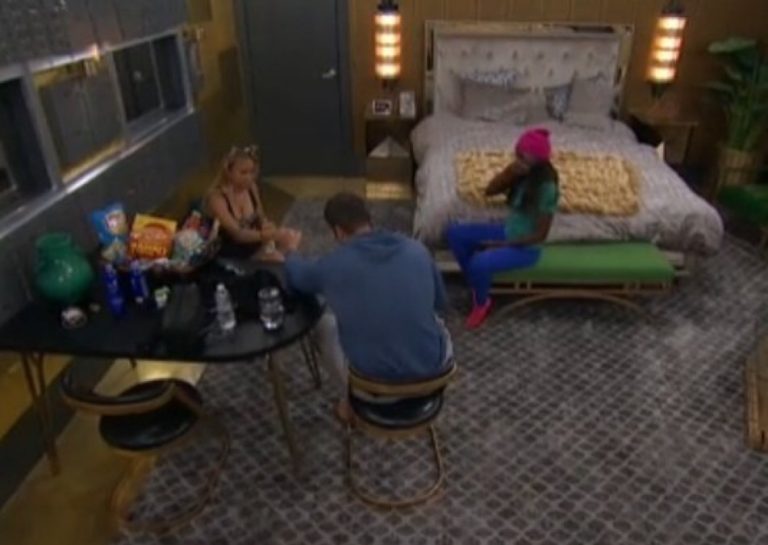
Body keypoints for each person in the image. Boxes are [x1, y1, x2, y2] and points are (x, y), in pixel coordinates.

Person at [283, 192, 453, 422]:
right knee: (432, 321)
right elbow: (440, 304)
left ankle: (350, 401)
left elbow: (298, 278)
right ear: (369, 221)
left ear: (338, 231)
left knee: (321, 325)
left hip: (374, 392)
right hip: (432, 380)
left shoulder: (334, 265)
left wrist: (290, 251)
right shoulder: (417, 250)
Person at [446, 128, 560, 329]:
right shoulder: (521, 171)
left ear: (538, 160)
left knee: (479, 262)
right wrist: (510, 173)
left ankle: (482, 303)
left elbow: (540, 235)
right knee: (455, 234)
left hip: (526, 248)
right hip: (508, 231)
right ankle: (476, 283)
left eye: (524, 156)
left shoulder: (547, 187)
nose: (518, 158)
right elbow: (490, 191)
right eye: (518, 154)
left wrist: (503, 245)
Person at [207, 146, 299, 261]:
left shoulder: (251, 188)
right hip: (231, 252)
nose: (249, 177)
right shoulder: (217, 198)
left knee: (291, 239)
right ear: (228, 172)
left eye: (252, 172)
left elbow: (261, 217)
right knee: (277, 259)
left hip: (254, 243)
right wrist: (268, 235)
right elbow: (237, 234)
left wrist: (268, 227)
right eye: (243, 172)